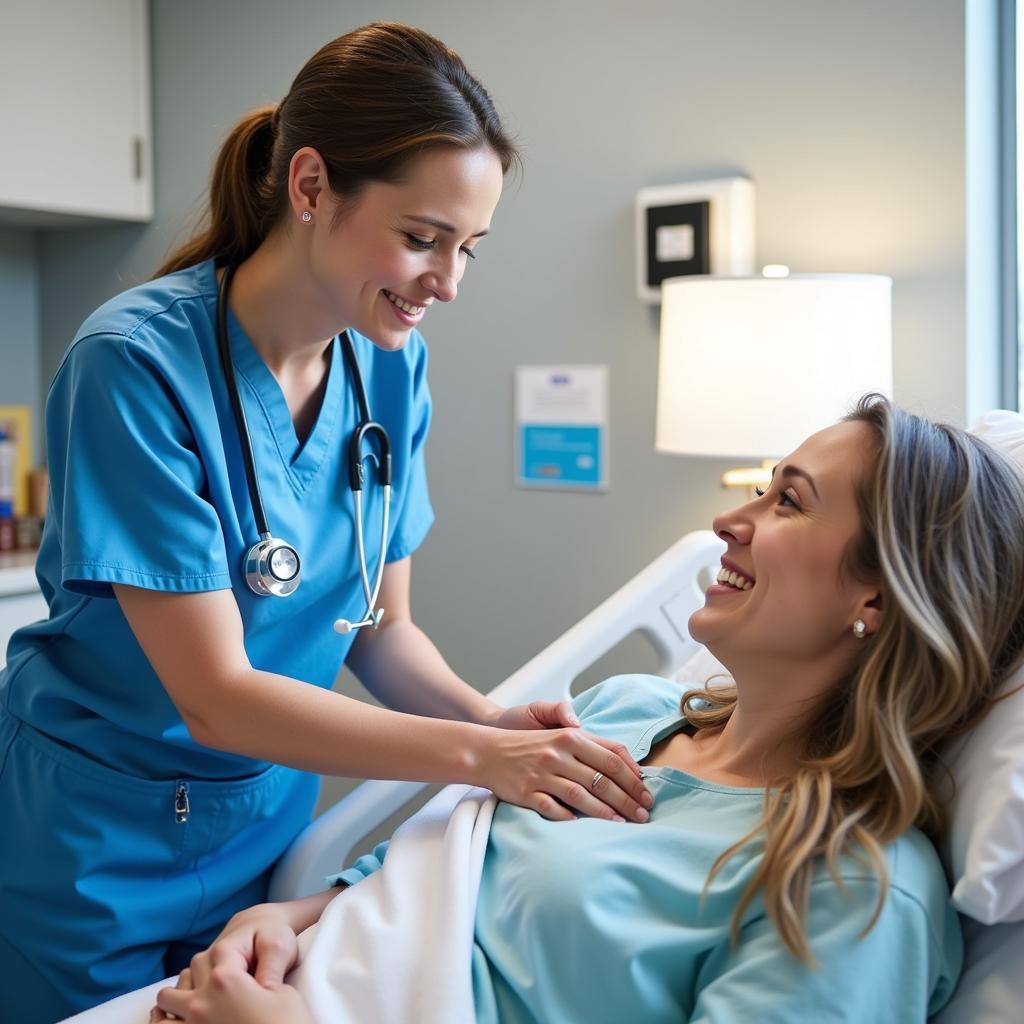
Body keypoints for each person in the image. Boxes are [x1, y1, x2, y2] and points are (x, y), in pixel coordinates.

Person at [0, 22, 654, 1023]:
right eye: (423, 237)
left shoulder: (390, 364)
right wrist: (481, 759)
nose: (448, 282)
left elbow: (381, 633)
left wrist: (487, 718)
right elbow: (216, 694)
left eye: (467, 246)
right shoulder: (134, 364)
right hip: (96, 841)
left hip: (261, 831)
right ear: (310, 187)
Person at [150, 394, 1024, 1023]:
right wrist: (283, 918)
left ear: (877, 597)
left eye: (788, 501)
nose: (730, 519)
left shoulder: (850, 887)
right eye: (762, 486)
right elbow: (406, 882)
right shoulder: (625, 710)